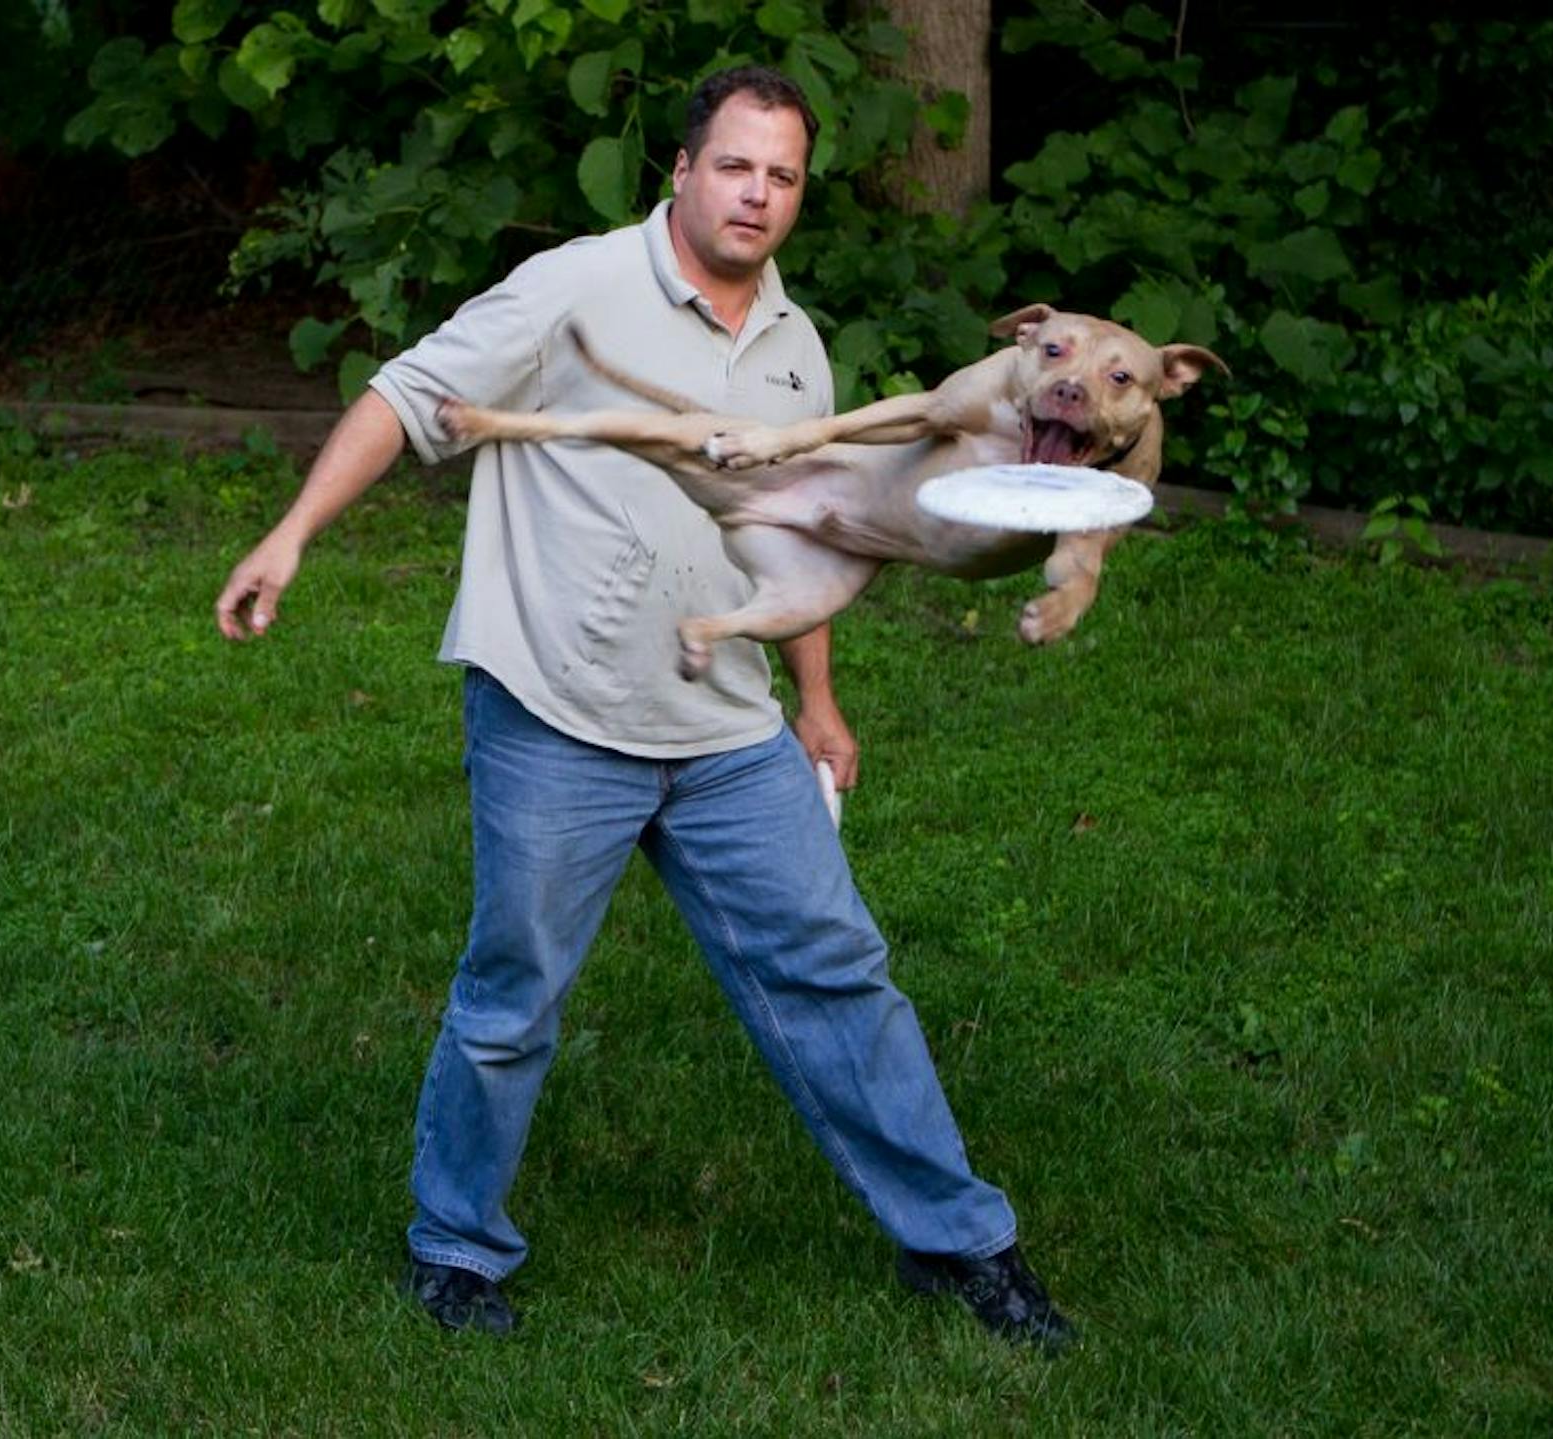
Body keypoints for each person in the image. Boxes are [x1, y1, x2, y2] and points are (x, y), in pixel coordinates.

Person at [212, 65, 1074, 1351]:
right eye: (736, 165)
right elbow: (404, 395)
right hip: (559, 708)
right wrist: (290, 535)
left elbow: (820, 523)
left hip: (725, 725)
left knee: (840, 973)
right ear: (681, 168)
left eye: (782, 176)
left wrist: (816, 700)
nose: (757, 194)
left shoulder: (795, 346)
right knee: (514, 993)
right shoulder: (575, 288)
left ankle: (962, 1244)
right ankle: (455, 1248)